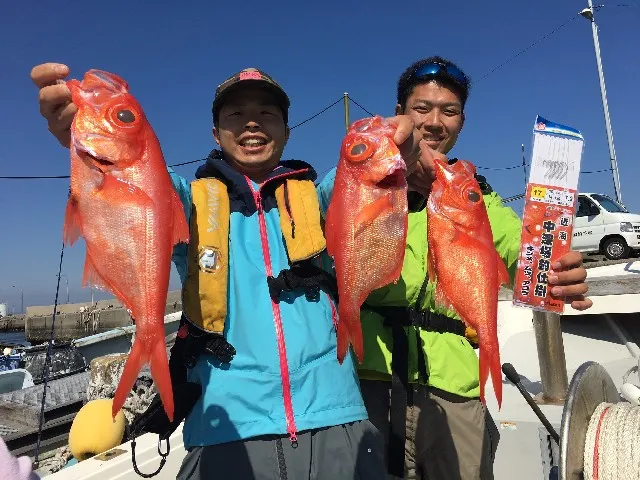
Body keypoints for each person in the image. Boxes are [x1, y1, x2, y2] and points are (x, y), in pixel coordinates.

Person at [30, 62, 432, 479]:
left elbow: (365, 181)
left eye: (267, 113)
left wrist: (398, 143)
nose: (252, 123)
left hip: (336, 420)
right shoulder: (189, 202)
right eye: (236, 115)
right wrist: (87, 134)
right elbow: (140, 178)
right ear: (216, 134)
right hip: (227, 432)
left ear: (287, 131)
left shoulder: (318, 198)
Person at [354, 56, 593, 480]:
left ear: (461, 122)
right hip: (370, 378)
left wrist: (556, 275)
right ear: (400, 115)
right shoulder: (368, 183)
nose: (433, 122)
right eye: (421, 108)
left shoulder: (473, 195)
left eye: (448, 111)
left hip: (456, 386)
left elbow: (524, 253)